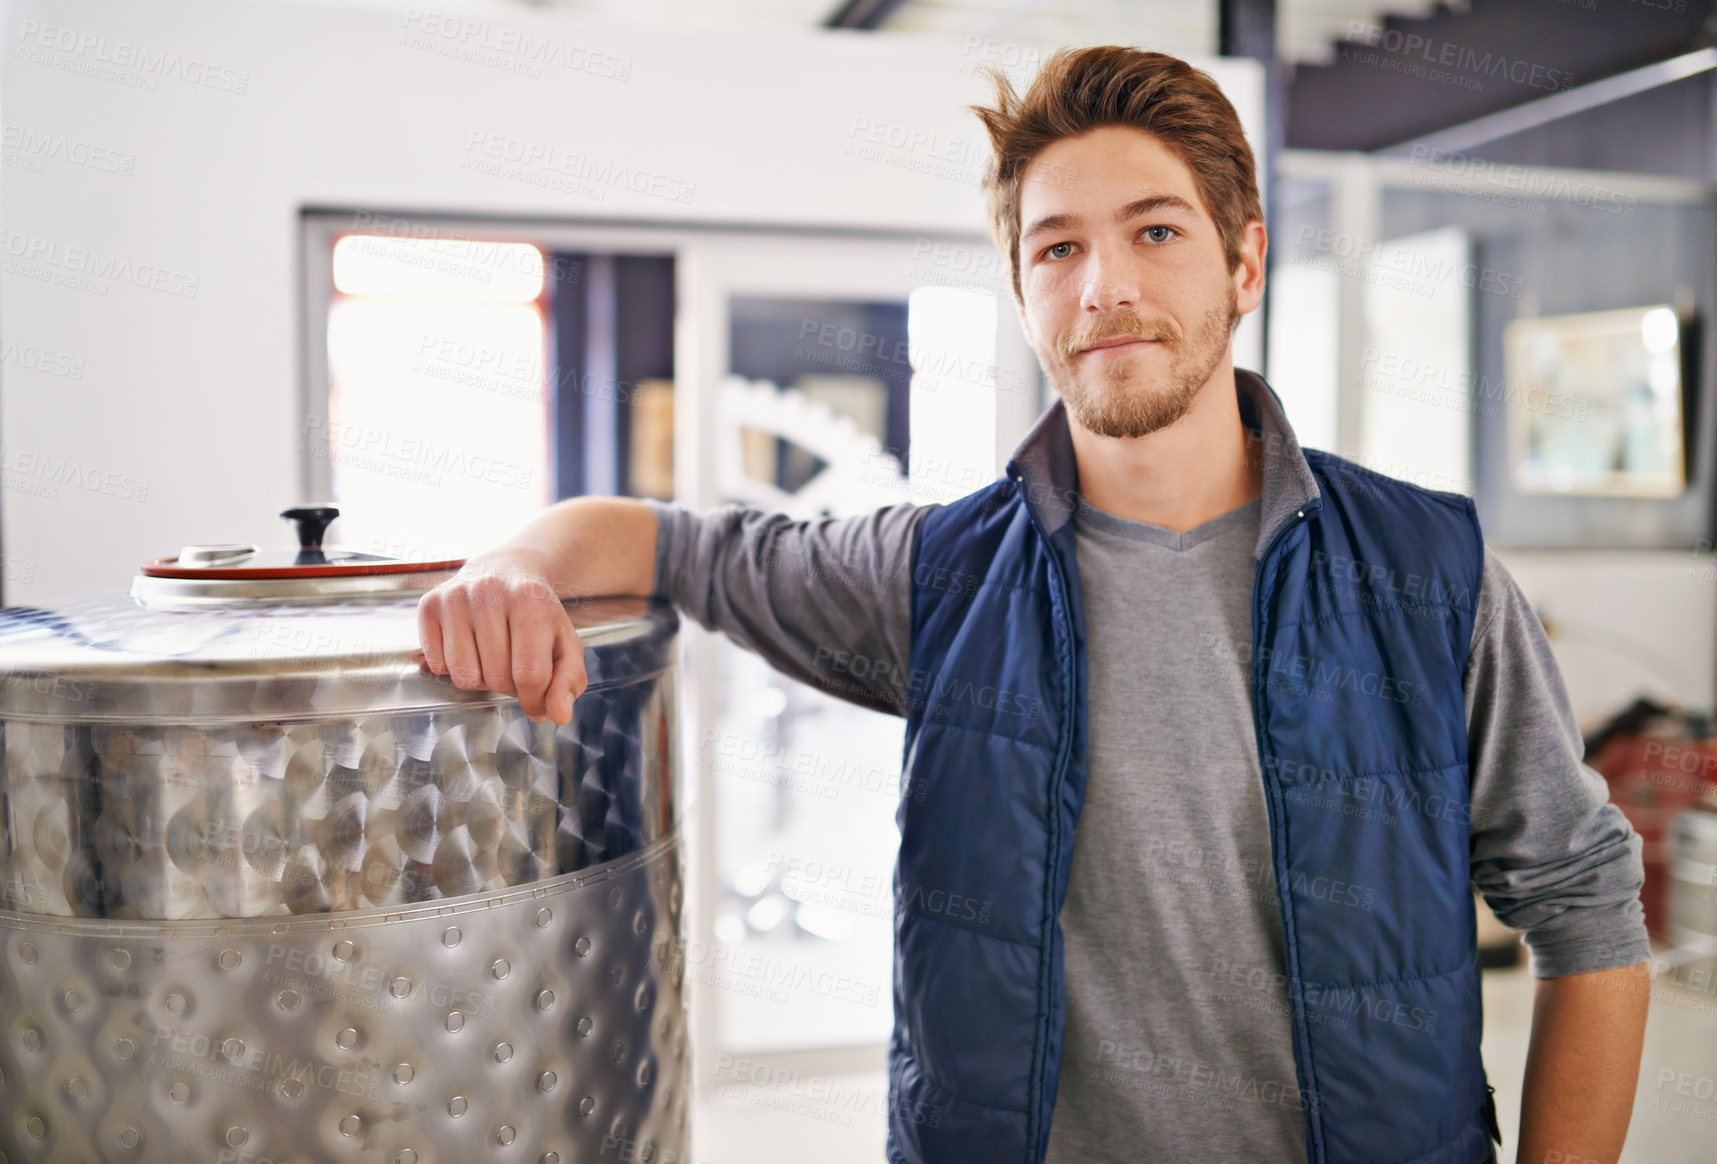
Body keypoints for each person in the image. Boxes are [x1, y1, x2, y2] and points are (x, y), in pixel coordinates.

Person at [416, 45, 1651, 1164]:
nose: (1104, 283)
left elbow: (1587, 912)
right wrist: (510, 565)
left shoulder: (1424, 573)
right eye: (1057, 247)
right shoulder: (932, 578)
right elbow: (662, 543)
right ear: (1022, 293)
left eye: (1155, 232)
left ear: (1246, 258)